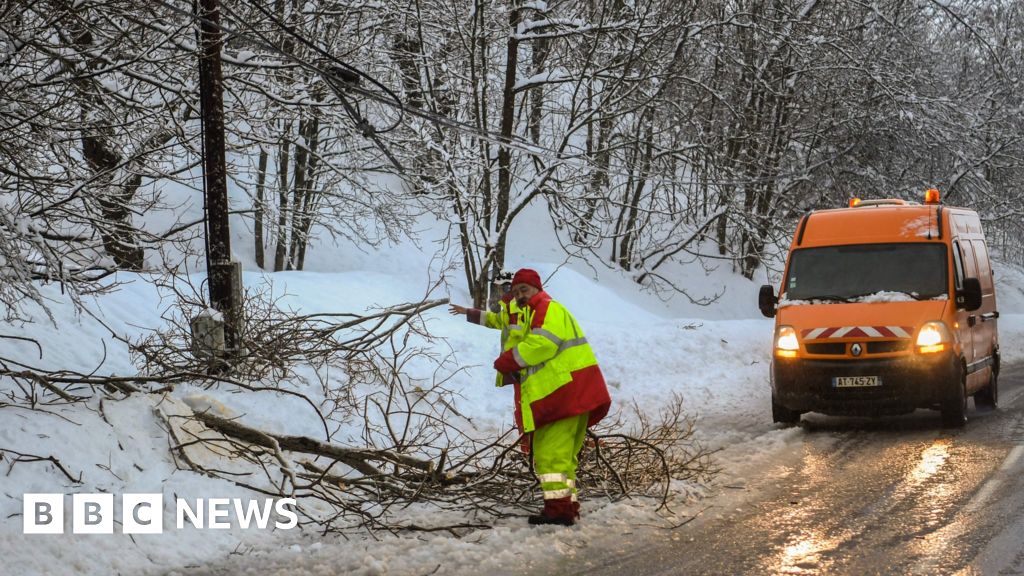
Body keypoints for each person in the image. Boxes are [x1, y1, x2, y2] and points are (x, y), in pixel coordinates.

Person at [490, 268, 611, 526]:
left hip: (562, 397)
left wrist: (507, 361)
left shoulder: (546, 308)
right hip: (572, 395)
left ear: (537, 288)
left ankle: (558, 512)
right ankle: (568, 507)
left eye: (525, 290)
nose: (521, 295)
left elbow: (541, 344)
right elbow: (503, 323)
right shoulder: (537, 311)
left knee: (550, 457)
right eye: (517, 291)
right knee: (564, 458)